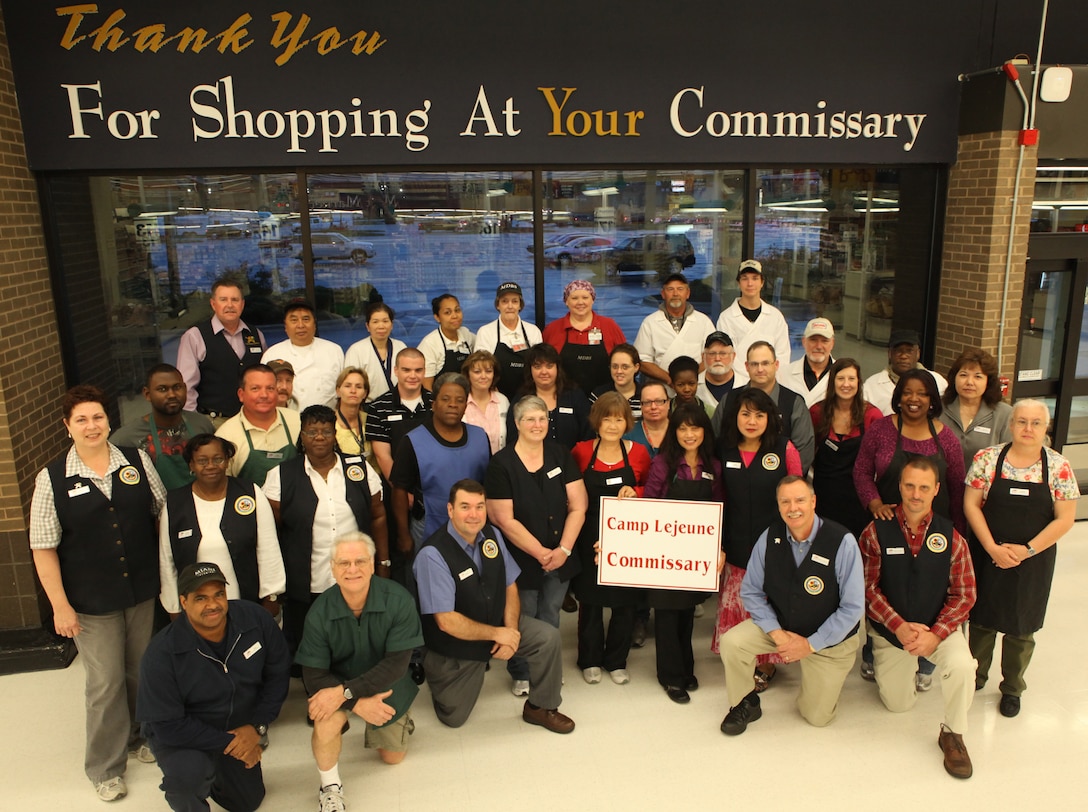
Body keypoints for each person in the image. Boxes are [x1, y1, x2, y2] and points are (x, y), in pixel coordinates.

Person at [30, 385, 167, 802]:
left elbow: (160, 512)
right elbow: (43, 547)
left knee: (142, 670)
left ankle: (141, 736)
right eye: (82, 420)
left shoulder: (136, 461)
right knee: (104, 683)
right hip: (91, 602)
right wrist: (60, 607)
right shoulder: (52, 478)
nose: (92, 426)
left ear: (109, 420)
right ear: (67, 426)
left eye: (98, 417)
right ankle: (105, 766)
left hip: (141, 590)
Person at [414, 480, 575, 733]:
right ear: (450, 510)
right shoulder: (433, 554)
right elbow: (445, 620)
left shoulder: (492, 535)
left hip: (496, 623)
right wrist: (496, 634)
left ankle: (541, 707)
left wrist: (510, 631)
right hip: (457, 642)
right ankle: (440, 677)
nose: (474, 514)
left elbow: (509, 584)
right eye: (465, 506)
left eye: (479, 506)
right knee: (454, 717)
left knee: (548, 637)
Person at [137, 563, 291, 812]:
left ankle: (218, 771)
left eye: (218, 594)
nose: (213, 605)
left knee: (247, 802)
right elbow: (167, 726)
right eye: (201, 598)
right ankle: (194, 780)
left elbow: (278, 674)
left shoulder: (255, 620)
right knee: (186, 779)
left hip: (237, 723)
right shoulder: (162, 654)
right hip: (184, 734)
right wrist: (231, 743)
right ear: (183, 602)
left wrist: (257, 727)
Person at [859, 457, 977, 779]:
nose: (915, 493)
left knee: (964, 666)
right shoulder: (874, 532)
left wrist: (935, 634)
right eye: (909, 485)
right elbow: (867, 589)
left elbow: (965, 594)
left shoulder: (952, 537)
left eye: (924, 487)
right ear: (899, 486)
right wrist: (898, 626)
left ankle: (953, 734)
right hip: (892, 633)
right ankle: (898, 666)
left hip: (938, 630)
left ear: (936, 490)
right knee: (899, 705)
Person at [718, 477, 863, 736]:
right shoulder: (769, 537)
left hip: (829, 641)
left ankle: (816, 685)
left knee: (817, 718)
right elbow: (750, 591)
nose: (792, 507)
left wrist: (808, 645)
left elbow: (852, 609)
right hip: (782, 628)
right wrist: (777, 633)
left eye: (800, 500)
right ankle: (745, 702)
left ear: (813, 501)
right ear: (778, 505)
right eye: (785, 501)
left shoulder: (843, 542)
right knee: (732, 642)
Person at [964, 399, 1079, 718]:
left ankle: (1012, 687)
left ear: (1046, 428)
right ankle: (974, 676)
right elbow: (971, 505)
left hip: (1034, 560)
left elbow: (1065, 519)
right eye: (1021, 422)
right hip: (988, 554)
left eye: (1035, 423)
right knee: (982, 620)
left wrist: (1026, 550)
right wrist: (991, 548)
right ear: (1011, 424)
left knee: (1021, 625)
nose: (1028, 429)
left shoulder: (1058, 467)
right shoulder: (987, 459)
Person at [853, 368, 965, 689]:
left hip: (935, 532)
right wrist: (873, 503)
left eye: (922, 393)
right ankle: (876, 653)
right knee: (884, 591)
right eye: (908, 392)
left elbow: (956, 488)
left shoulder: (946, 438)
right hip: (888, 528)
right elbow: (861, 471)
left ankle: (926, 663)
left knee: (932, 594)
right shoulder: (881, 431)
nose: (914, 399)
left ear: (932, 400)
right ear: (898, 395)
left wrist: (958, 534)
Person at [296, 532, 424, 812]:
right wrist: (354, 702)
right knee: (324, 719)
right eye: (343, 563)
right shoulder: (319, 612)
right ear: (332, 567)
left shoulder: (398, 600)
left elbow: (396, 666)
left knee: (393, 757)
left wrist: (347, 694)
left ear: (372, 563)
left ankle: (400, 719)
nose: (352, 570)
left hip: (385, 684)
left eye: (359, 561)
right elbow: (314, 675)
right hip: (336, 685)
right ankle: (330, 788)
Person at [263, 405, 388, 656]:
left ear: (334, 435)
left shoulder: (359, 469)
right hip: (308, 580)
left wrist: (383, 562)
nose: (319, 437)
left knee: (358, 641)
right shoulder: (281, 475)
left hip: (355, 575)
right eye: (311, 432)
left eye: (325, 431)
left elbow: (378, 515)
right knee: (313, 644)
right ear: (302, 436)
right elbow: (271, 531)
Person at [485, 395, 588, 696]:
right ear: (517, 424)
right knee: (523, 616)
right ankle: (522, 672)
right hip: (521, 558)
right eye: (529, 419)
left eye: (542, 418)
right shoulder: (501, 464)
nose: (537, 424)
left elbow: (579, 506)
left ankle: (548, 669)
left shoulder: (560, 455)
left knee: (551, 613)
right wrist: (542, 553)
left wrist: (563, 551)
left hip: (561, 554)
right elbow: (503, 519)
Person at [712, 387, 804, 691]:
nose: (752, 421)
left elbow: (798, 499)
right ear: (734, 417)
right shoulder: (723, 449)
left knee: (767, 603)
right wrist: (717, 544)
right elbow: (717, 498)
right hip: (735, 542)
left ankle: (767, 662)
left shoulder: (783, 448)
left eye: (759, 414)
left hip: (775, 546)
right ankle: (739, 658)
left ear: (770, 418)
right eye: (745, 414)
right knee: (739, 602)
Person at [643, 403, 724, 703]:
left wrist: (719, 548)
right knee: (666, 615)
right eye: (682, 428)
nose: (689, 434)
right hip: (665, 555)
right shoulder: (664, 464)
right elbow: (649, 505)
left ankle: (686, 668)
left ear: (705, 431)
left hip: (695, 557)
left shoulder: (713, 466)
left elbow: (719, 510)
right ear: (674, 432)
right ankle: (670, 677)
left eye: (695, 427)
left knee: (687, 614)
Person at [570, 393, 652, 685]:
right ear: (597, 420)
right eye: (607, 417)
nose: (613, 424)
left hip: (627, 537)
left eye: (619, 418)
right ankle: (589, 659)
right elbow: (569, 493)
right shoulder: (580, 451)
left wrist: (637, 492)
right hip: (588, 533)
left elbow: (652, 489)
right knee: (590, 601)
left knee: (624, 602)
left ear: (627, 422)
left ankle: (617, 660)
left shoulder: (639, 452)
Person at [158, 434, 285, 617]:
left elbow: (269, 548)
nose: (210, 465)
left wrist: (271, 595)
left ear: (227, 461)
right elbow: (166, 560)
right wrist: (173, 607)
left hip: (247, 603)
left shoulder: (250, 494)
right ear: (191, 466)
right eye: (202, 460)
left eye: (218, 459)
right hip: (198, 611)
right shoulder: (175, 503)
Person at [391, 373, 491, 568]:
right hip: (427, 526)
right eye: (445, 399)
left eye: (459, 400)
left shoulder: (480, 437)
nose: (453, 404)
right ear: (433, 403)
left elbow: (489, 484)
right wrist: (403, 535)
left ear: (465, 405)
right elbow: (399, 490)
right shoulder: (412, 440)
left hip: (473, 526)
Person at [712, 341, 815, 472]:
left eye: (765, 363)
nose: (760, 369)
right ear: (746, 366)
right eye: (754, 364)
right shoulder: (729, 400)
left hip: (780, 485)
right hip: (733, 482)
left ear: (776, 365)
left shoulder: (793, 402)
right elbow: (713, 441)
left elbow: (804, 450)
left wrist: (786, 485)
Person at [176, 276, 267, 423]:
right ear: (213, 304)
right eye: (223, 300)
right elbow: (186, 386)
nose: (230, 305)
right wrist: (193, 424)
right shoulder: (195, 336)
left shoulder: (256, 335)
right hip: (214, 422)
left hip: (254, 419)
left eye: (235, 300)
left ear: (242, 304)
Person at [809, 358, 884, 538]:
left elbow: (880, 462)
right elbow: (807, 453)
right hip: (824, 497)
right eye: (841, 378)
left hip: (858, 499)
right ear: (832, 381)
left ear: (859, 382)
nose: (846, 384)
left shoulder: (872, 415)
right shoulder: (817, 412)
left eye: (851, 379)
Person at [111, 363, 216, 490]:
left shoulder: (201, 423)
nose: (171, 394)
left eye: (177, 387)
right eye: (162, 389)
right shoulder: (126, 438)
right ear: (147, 394)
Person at [216, 364, 301, 487]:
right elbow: (222, 488)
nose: (264, 395)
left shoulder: (298, 422)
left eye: (270, 388)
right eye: (255, 388)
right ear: (241, 394)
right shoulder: (226, 435)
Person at [542, 278, 626, 396]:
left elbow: (626, 359)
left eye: (585, 297)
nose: (580, 302)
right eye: (574, 298)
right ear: (566, 301)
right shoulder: (552, 329)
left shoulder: (609, 326)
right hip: (564, 399)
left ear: (593, 300)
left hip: (605, 399)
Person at [633, 272, 715, 388]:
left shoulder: (704, 321)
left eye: (680, 289)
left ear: (688, 293)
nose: (675, 293)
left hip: (697, 389)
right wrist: (669, 379)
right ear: (663, 294)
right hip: (661, 390)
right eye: (670, 289)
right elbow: (642, 360)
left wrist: (688, 380)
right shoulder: (650, 322)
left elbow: (711, 355)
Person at [506, 342, 593, 450]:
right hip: (531, 463)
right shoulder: (521, 399)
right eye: (537, 367)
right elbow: (513, 439)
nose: (544, 372)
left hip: (573, 462)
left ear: (558, 368)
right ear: (530, 370)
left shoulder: (575, 395)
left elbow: (589, 434)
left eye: (549, 366)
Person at [262, 299, 345, 410]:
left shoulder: (334, 351)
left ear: (315, 324)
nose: (300, 325)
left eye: (306, 319)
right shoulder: (272, 354)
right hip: (287, 421)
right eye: (294, 320)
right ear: (285, 327)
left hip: (327, 421)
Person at [365, 347, 433, 481]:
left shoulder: (436, 403)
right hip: (396, 487)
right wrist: (400, 491)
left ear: (424, 371)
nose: (412, 376)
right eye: (406, 370)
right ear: (396, 371)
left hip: (433, 484)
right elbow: (382, 456)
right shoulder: (378, 408)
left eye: (418, 370)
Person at [715, 259, 792, 375]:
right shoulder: (726, 318)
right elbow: (725, 357)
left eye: (755, 278)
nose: (750, 283)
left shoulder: (775, 317)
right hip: (738, 386)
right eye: (745, 278)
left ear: (762, 282)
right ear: (738, 283)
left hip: (769, 384)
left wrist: (768, 381)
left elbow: (783, 355)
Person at [942, 348, 1013, 471]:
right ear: (954, 378)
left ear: (988, 381)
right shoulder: (938, 407)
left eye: (978, 377)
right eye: (963, 375)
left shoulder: (1005, 414)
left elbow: (1010, 460)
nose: (969, 382)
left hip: (985, 488)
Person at [473, 281, 544, 400]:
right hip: (496, 396)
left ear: (520, 305)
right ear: (498, 305)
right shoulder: (485, 332)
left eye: (514, 301)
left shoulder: (533, 331)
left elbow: (539, 366)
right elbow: (481, 369)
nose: (510, 306)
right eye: (505, 301)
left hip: (528, 396)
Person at [863, 329, 949, 416]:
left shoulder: (938, 382)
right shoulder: (871, 386)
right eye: (898, 351)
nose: (903, 356)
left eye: (909, 351)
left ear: (918, 353)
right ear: (889, 353)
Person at [344, 302, 407, 402]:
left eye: (385, 321)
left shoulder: (401, 347)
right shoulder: (356, 350)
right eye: (375, 322)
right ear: (368, 326)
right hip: (368, 407)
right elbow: (350, 384)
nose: (381, 326)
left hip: (398, 404)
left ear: (392, 325)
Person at [418, 293, 475, 389]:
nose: (454, 316)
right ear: (437, 317)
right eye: (447, 313)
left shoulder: (466, 334)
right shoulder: (430, 343)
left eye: (457, 310)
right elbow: (426, 385)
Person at [461, 350, 510, 453]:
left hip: (499, 466)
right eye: (477, 372)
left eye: (488, 371)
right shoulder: (461, 402)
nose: (483, 376)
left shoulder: (503, 401)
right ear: (468, 374)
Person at [785, 318, 836, 407]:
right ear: (804, 341)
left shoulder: (843, 374)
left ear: (832, 343)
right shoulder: (785, 374)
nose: (819, 346)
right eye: (813, 340)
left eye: (824, 341)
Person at [590, 343, 643, 419]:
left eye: (625, 367)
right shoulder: (598, 395)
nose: (619, 371)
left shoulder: (646, 396)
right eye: (615, 366)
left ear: (636, 367)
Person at [696, 331, 746, 412]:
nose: (717, 358)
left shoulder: (746, 385)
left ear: (733, 356)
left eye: (723, 353)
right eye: (712, 353)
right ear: (703, 357)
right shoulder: (694, 386)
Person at [333, 366, 373, 463]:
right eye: (348, 386)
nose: (353, 391)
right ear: (338, 391)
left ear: (365, 393)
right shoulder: (329, 423)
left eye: (358, 387)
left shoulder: (371, 420)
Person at [624, 381, 669, 459]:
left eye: (659, 401)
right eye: (647, 402)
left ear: (668, 403)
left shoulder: (680, 431)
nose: (653, 407)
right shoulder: (628, 435)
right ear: (641, 405)